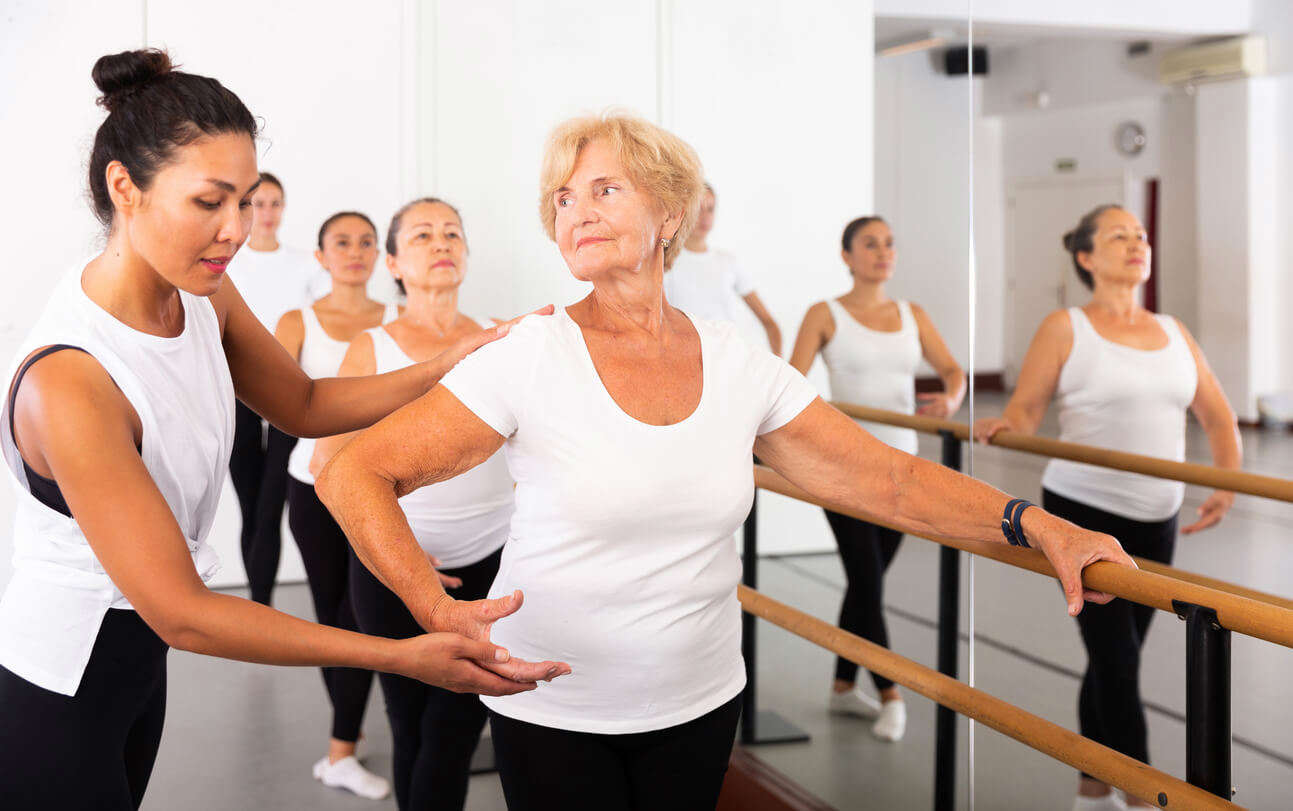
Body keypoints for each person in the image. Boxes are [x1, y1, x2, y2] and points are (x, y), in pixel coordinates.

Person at [317, 112, 1135, 811]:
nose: (576, 211)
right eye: (563, 198)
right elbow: (355, 471)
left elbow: (886, 478)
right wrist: (430, 602)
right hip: (555, 704)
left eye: (604, 189)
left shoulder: (734, 360)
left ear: (669, 215)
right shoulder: (530, 352)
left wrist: (1035, 524)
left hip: (699, 701)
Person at [0, 49, 566, 811]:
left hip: (139, 663)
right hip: (62, 678)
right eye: (209, 202)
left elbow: (298, 402)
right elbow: (186, 611)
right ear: (123, 187)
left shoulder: (200, 291)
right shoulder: (72, 380)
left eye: (246, 200)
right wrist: (402, 655)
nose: (235, 230)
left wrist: (450, 358)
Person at [973, 204, 1241, 811]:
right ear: (1087, 257)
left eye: (1141, 234)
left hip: (1158, 517)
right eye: (1119, 235)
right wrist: (1005, 424)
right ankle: (1144, 796)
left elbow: (1218, 414)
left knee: (1114, 659)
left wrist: (1225, 484)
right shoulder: (1065, 325)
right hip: (1082, 513)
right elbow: (1026, 408)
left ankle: (1091, 788)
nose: (1136, 242)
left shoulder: (1174, 330)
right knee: (1118, 663)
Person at [313, 197, 517, 811]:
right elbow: (328, 470)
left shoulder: (500, 340)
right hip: (392, 567)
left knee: (456, 727)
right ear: (395, 262)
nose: (441, 242)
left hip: (490, 558)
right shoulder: (370, 348)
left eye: (452, 232)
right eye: (423, 234)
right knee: (409, 721)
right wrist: (404, 560)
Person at [789, 215, 965, 742]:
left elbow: (954, 371)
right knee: (868, 580)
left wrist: (950, 398)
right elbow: (790, 385)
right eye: (870, 244)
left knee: (867, 581)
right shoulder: (825, 313)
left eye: (889, 243)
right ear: (847, 255)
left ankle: (843, 684)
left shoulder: (913, 315)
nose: (883, 252)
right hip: (843, 469)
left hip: (903, 468)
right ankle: (891, 693)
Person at [275, 211, 399, 799]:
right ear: (320, 256)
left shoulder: (400, 319)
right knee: (336, 617)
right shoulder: (297, 321)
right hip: (314, 486)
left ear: (380, 255)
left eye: (366, 242)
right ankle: (342, 748)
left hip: (383, 487)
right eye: (341, 242)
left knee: (367, 613)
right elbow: (273, 401)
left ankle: (342, 744)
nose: (355, 251)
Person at [225, 171, 329, 605]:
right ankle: (259, 605)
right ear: (245, 208)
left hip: (288, 392)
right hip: (235, 395)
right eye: (258, 203)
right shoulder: (226, 260)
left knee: (271, 507)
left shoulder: (307, 264)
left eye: (274, 203)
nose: (266, 213)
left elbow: (323, 322)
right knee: (251, 508)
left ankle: (259, 609)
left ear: (283, 209)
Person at [662, 183, 782, 354]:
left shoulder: (727, 262)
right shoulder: (666, 261)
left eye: (710, 209)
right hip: (682, 356)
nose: (704, 217)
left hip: (727, 359)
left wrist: (779, 367)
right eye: (698, 209)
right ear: (683, 212)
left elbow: (769, 323)